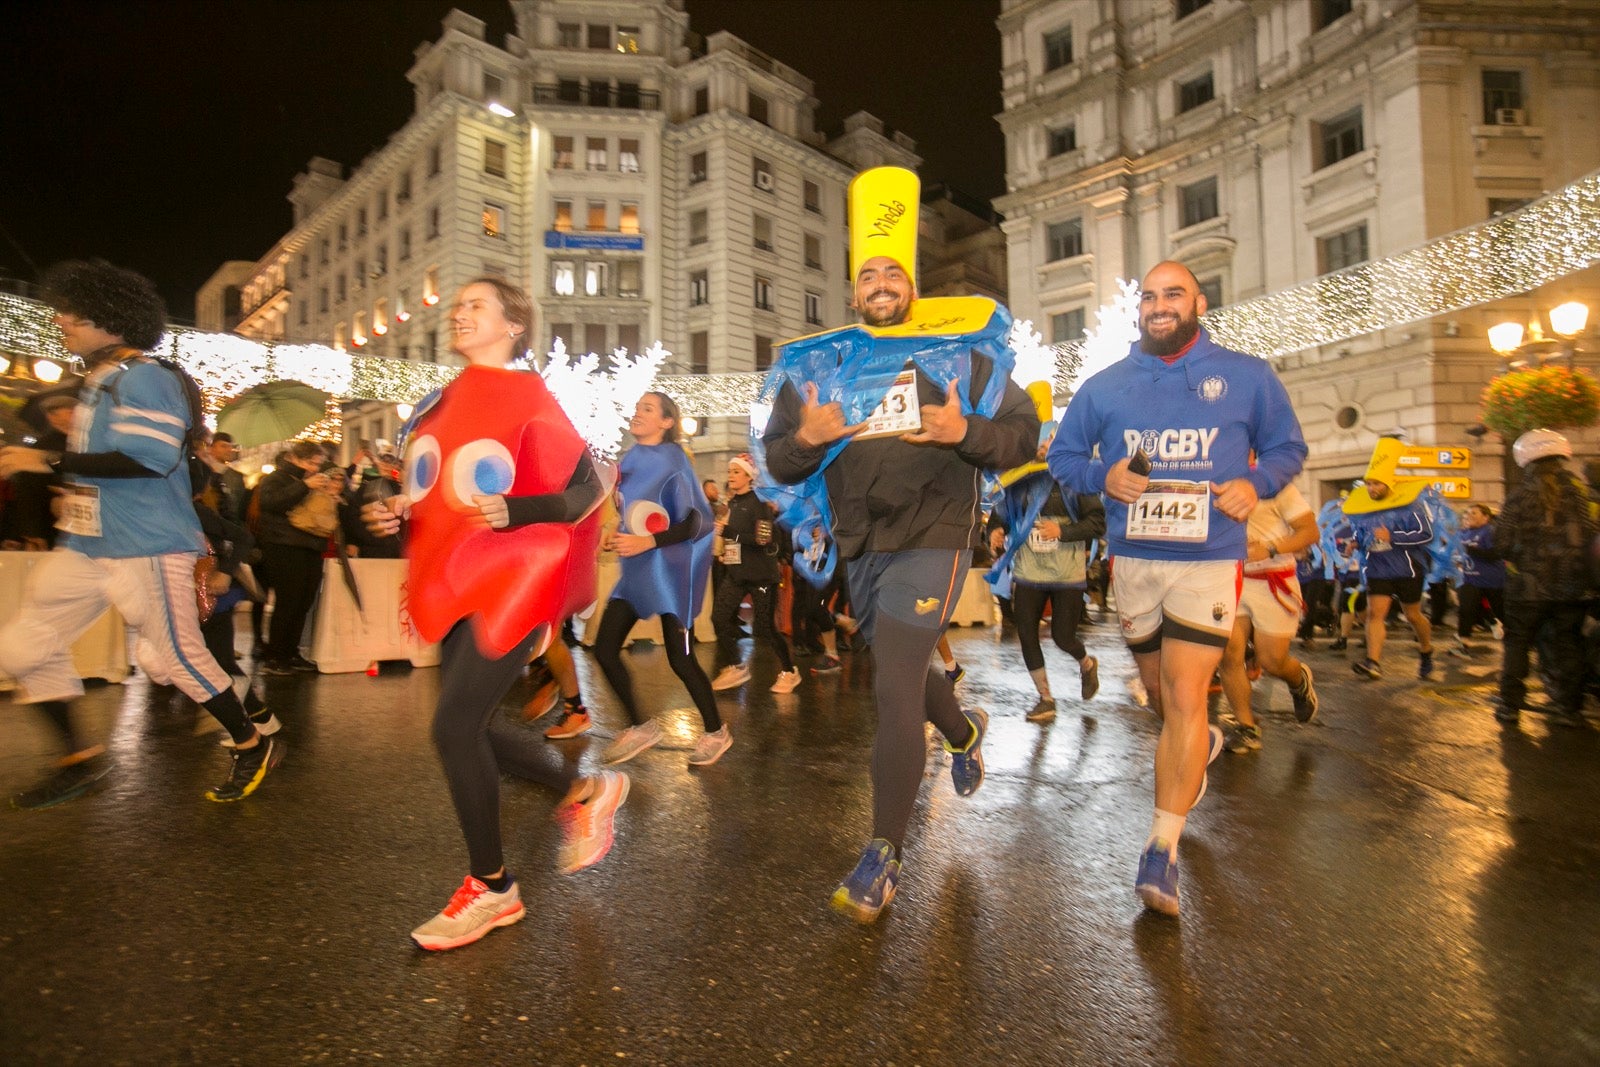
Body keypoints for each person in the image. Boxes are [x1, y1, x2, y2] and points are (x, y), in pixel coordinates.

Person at [761, 165, 1039, 922]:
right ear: (853, 292)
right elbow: (778, 462)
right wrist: (805, 441)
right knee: (895, 665)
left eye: (893, 271)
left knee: (892, 686)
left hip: (935, 534)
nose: (881, 282)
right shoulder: (817, 367)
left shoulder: (963, 354)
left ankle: (883, 854)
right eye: (868, 274)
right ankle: (963, 728)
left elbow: (1023, 434)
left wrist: (966, 432)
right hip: (860, 540)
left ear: (912, 284)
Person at [363, 277, 627, 950]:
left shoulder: (528, 393)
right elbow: (442, 492)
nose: (459, 310)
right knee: (467, 726)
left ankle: (493, 888)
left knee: (453, 727)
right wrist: (401, 508)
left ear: (514, 325)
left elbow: (588, 485)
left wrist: (521, 510)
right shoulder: (442, 402)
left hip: (511, 575)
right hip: (453, 576)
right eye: (459, 303)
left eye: (476, 304)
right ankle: (586, 787)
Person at [1049, 259, 1307, 917]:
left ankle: (1161, 847)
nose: (1159, 305)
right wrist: (1103, 476)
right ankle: (1201, 744)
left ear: (1199, 302)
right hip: (1134, 561)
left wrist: (1259, 483)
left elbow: (1286, 448)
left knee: (1189, 692)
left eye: (1173, 294)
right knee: (1162, 695)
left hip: (1209, 558)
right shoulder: (1106, 386)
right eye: (1149, 296)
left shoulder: (1247, 376)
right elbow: (1063, 457)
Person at [0, 259, 283, 807]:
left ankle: (251, 744)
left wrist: (49, 464)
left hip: (149, 544)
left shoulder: (146, 377)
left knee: (174, 659)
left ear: (112, 318)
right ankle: (79, 758)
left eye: (74, 312)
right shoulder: (99, 382)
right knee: (22, 645)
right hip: (86, 545)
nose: (62, 320)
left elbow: (149, 459)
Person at [592, 391, 727, 766]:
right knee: (604, 650)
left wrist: (647, 541)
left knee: (681, 659)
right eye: (636, 408)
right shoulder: (630, 459)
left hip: (671, 573)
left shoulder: (674, 460)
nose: (637, 414)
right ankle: (641, 726)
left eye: (647, 409)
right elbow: (636, 512)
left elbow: (696, 521)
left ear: (666, 422)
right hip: (637, 574)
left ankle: (716, 731)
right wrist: (613, 532)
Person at [988, 409, 1106, 723]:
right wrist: (995, 532)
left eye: (1046, 442)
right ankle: (1045, 698)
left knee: (1062, 637)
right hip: (1029, 571)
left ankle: (1086, 664)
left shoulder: (1075, 479)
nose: (1040, 448)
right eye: (1036, 443)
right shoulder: (1020, 478)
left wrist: (1062, 531)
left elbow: (1097, 523)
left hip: (1066, 574)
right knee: (1025, 632)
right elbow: (1001, 515)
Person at [1482, 430, 1597, 727]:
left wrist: (1521, 554)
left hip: (1527, 588)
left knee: (1518, 644)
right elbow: (1587, 534)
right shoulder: (1577, 493)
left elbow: (1501, 542)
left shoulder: (1519, 497)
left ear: (1525, 460)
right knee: (1569, 644)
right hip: (1572, 588)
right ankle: (1570, 708)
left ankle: (1509, 705)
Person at [1217, 480, 1321, 753]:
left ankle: (1299, 680)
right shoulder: (1212, 479)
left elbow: (1310, 532)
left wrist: (1270, 548)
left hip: (1273, 580)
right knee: (1228, 653)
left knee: (1272, 660)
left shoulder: (1276, 485)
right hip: (1229, 579)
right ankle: (1246, 726)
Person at [1342, 439, 1437, 682]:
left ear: (1388, 483)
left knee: (1413, 615)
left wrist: (1392, 537)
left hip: (1408, 569)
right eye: (1369, 484)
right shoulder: (1363, 508)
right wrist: (1354, 543)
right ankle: (1373, 662)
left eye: (1375, 484)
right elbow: (1361, 534)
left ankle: (1426, 650)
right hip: (1377, 568)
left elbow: (1427, 534)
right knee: (1375, 614)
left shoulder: (1411, 504)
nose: (1371, 488)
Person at [709, 453, 801, 694]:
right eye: (730, 471)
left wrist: (730, 533)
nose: (731, 475)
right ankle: (736, 667)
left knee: (766, 628)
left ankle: (790, 672)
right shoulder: (732, 503)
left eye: (736, 471)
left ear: (749, 476)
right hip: (737, 574)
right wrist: (724, 549)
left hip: (761, 576)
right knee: (718, 617)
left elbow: (763, 538)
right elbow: (733, 537)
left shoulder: (759, 502)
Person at [254, 440, 334, 673]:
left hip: (311, 546)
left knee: (303, 602)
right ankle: (275, 656)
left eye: (318, 463)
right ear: (294, 458)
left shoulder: (313, 480)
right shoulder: (275, 479)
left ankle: (292, 652)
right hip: (284, 546)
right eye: (310, 462)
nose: (314, 468)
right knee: (288, 602)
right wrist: (305, 485)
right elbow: (271, 503)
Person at [1454, 503, 1505, 652]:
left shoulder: (1490, 532)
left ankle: (1517, 643)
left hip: (1492, 580)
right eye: (1467, 513)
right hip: (1469, 579)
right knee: (1465, 609)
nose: (1469, 516)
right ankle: (1463, 644)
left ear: (1486, 517)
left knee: (1501, 612)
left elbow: (1495, 555)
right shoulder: (1462, 533)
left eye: (1474, 513)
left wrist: (1470, 550)